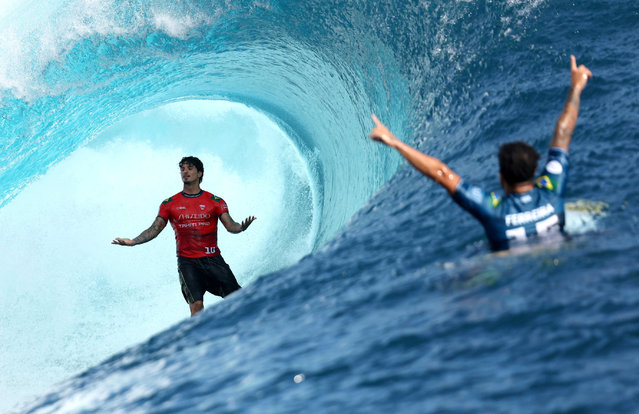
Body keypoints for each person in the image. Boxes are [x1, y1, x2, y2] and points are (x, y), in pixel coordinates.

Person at [369, 55, 592, 251]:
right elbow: (563, 134)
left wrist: (394, 142)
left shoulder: (493, 210)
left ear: (501, 177)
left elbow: (441, 172)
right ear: (535, 171)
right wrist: (576, 87)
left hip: (510, 263)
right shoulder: (552, 191)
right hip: (559, 248)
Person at [113, 156, 256, 316]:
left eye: (190, 168)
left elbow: (231, 225)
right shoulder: (169, 204)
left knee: (238, 298)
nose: (185, 172)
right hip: (187, 263)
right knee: (196, 304)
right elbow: (155, 228)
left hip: (213, 260)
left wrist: (241, 227)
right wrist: (133, 241)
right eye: (182, 169)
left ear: (200, 173)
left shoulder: (215, 201)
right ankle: (199, 338)